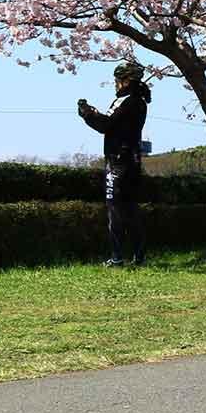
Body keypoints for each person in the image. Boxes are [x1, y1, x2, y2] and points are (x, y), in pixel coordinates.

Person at [78, 61, 151, 266]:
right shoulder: (140, 102)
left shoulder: (126, 101)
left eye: (117, 80)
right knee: (131, 208)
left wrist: (87, 114)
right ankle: (139, 257)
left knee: (115, 209)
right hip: (133, 160)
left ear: (126, 81)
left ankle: (117, 257)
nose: (115, 84)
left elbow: (105, 125)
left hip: (117, 162)